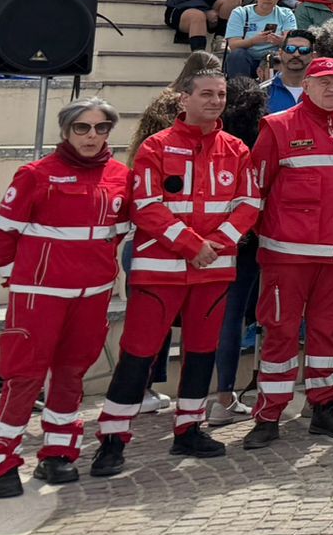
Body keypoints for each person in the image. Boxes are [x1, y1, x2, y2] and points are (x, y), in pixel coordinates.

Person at [89, 70, 258, 475]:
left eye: (221, 94)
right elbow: (146, 206)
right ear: (183, 99)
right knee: (138, 354)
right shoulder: (156, 146)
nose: (216, 101)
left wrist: (214, 244)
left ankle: (189, 429)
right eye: (206, 94)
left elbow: (250, 203)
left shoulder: (236, 149)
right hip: (159, 272)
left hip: (213, 272)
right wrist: (193, 245)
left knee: (201, 352)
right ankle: (112, 440)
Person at [0, 98, 130, 497]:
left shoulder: (121, 175)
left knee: (71, 373)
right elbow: (2, 234)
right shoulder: (35, 174)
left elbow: (115, 233)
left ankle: (58, 453)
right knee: (24, 377)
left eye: (101, 128)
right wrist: (18, 280)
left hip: (92, 296)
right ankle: (1, 462)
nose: (91, 136)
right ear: (66, 131)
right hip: (39, 296)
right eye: (82, 128)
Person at [241, 55, 333, 448]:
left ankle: (325, 407)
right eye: (323, 82)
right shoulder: (278, 127)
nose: (332, 89)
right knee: (280, 334)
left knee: (328, 333)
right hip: (288, 256)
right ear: (307, 86)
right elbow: (255, 190)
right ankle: (268, 415)